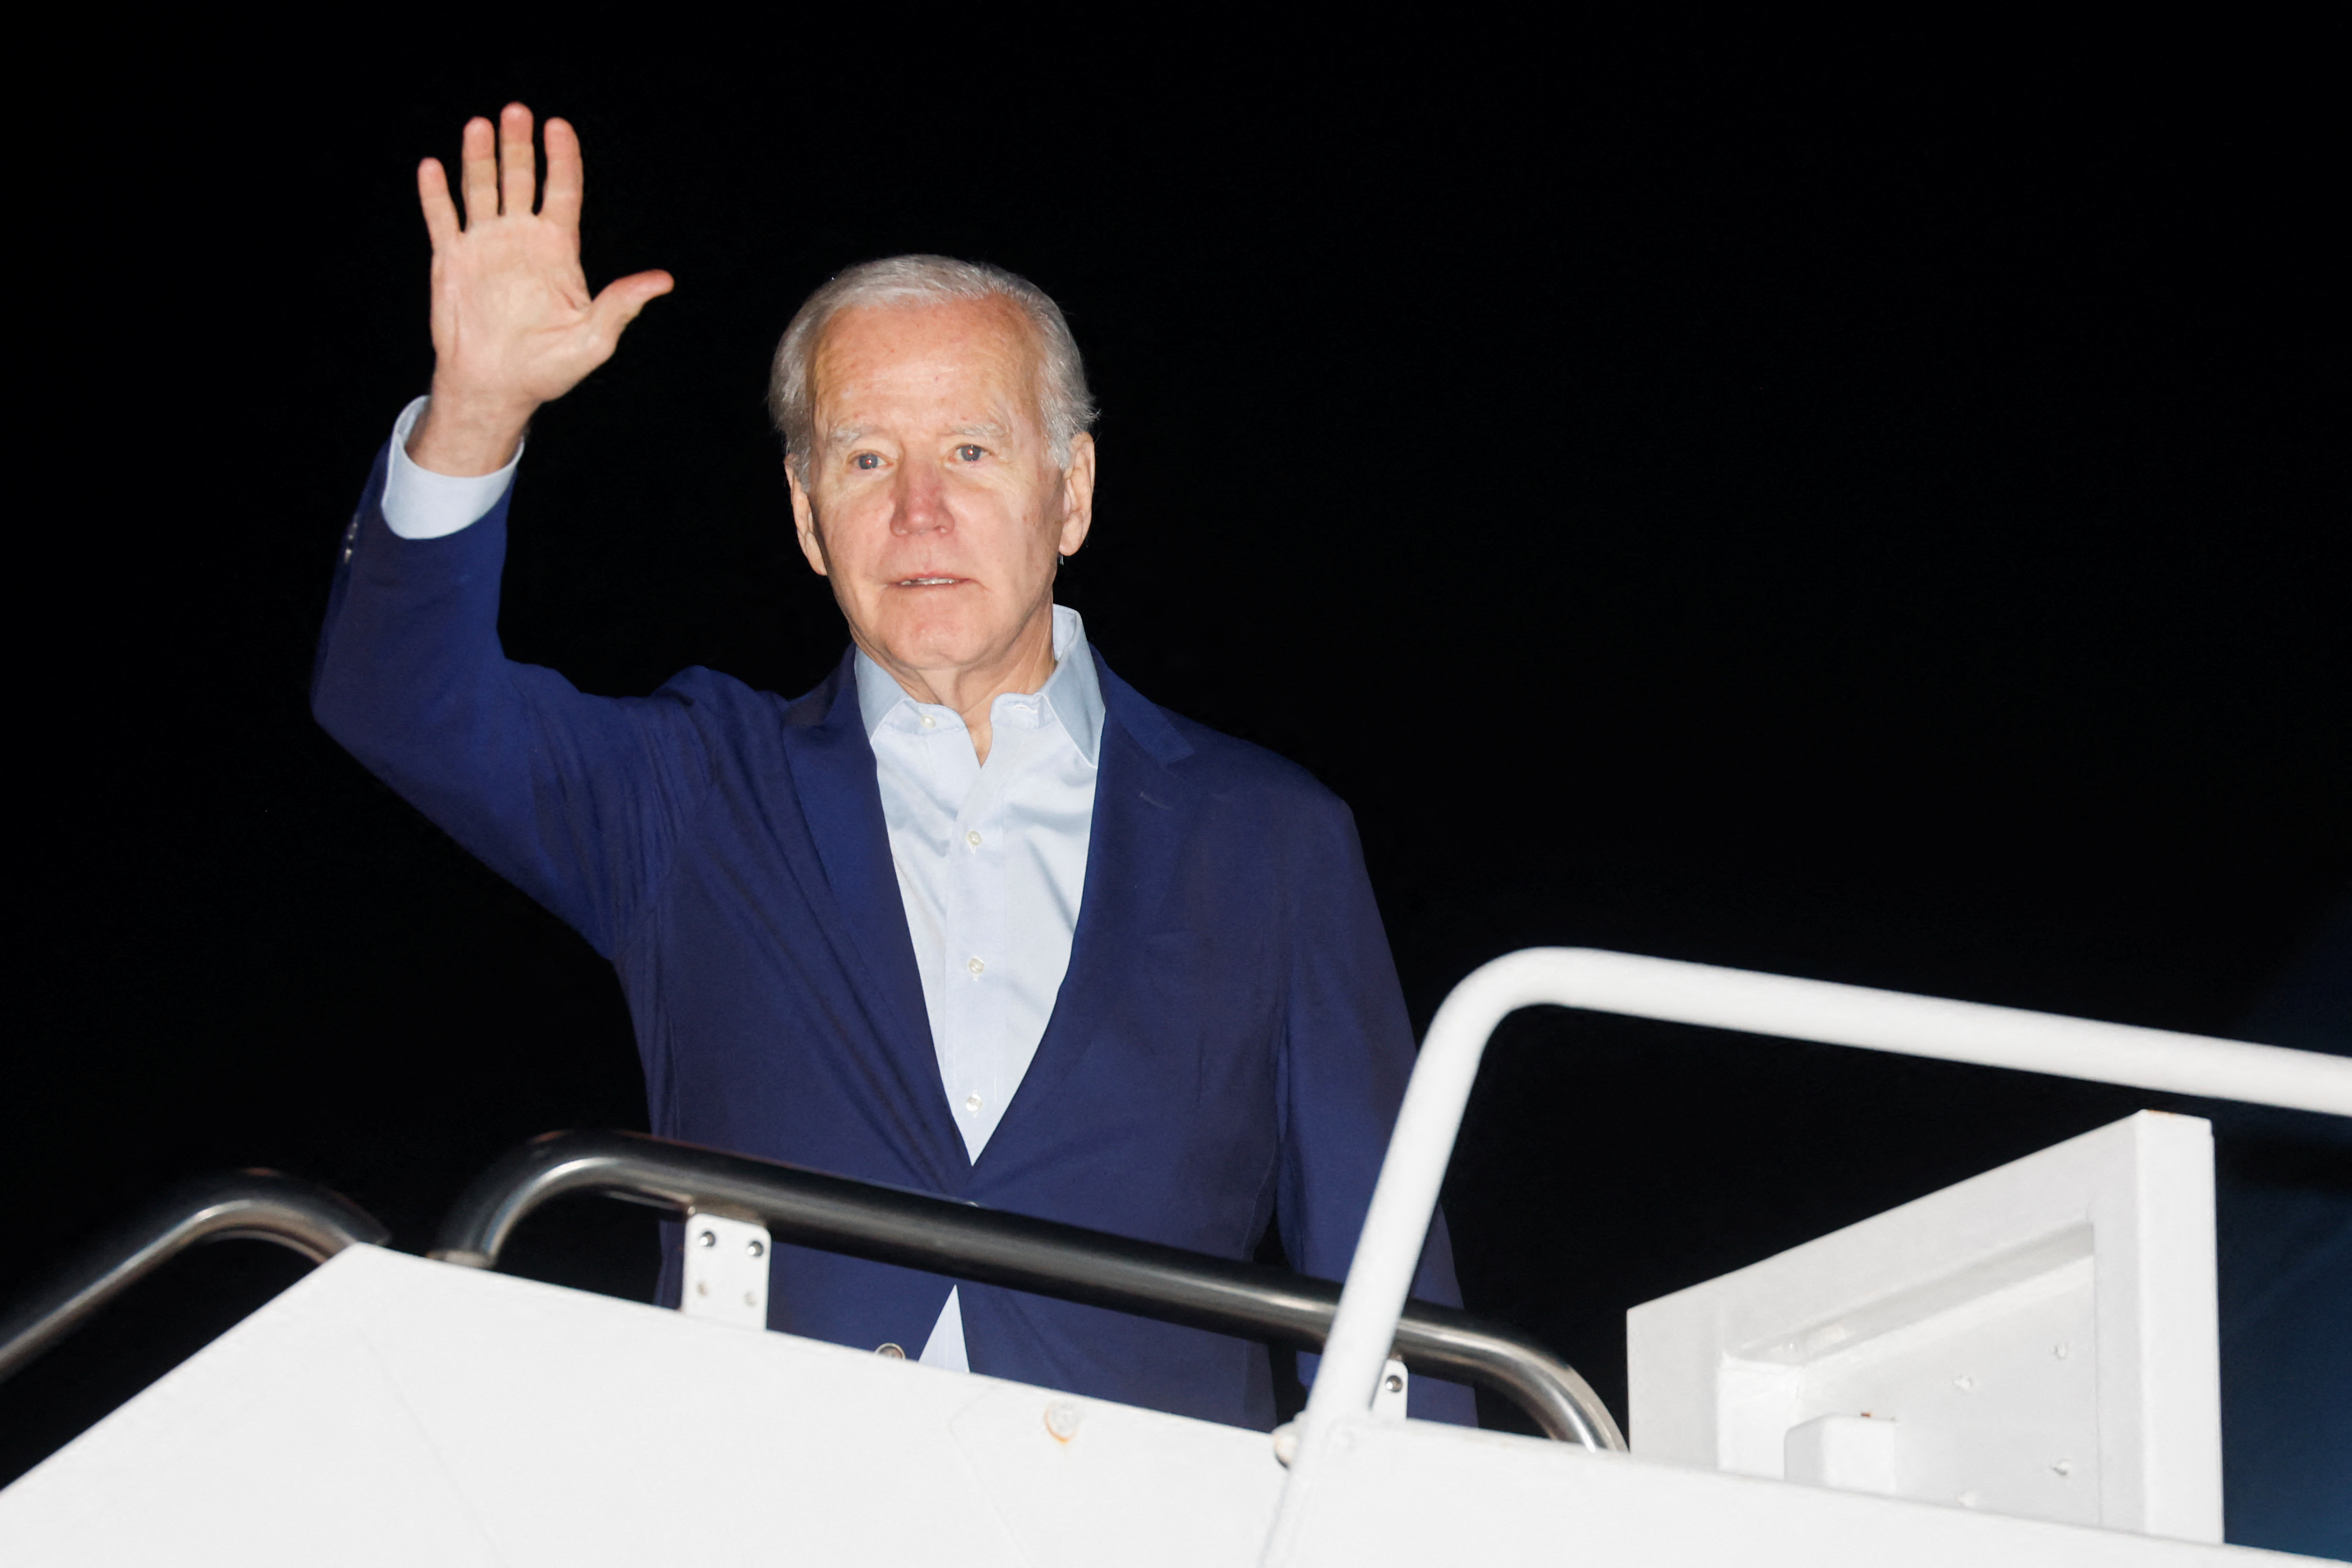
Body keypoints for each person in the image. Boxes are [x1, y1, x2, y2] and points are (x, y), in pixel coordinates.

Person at [313, 102, 1474, 1429]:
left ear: (1071, 492)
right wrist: (472, 412)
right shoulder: (693, 794)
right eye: (867, 460)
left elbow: (1388, 1301)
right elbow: (398, 702)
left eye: (971, 453)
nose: (920, 512)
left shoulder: (1269, 837)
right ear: (809, 518)